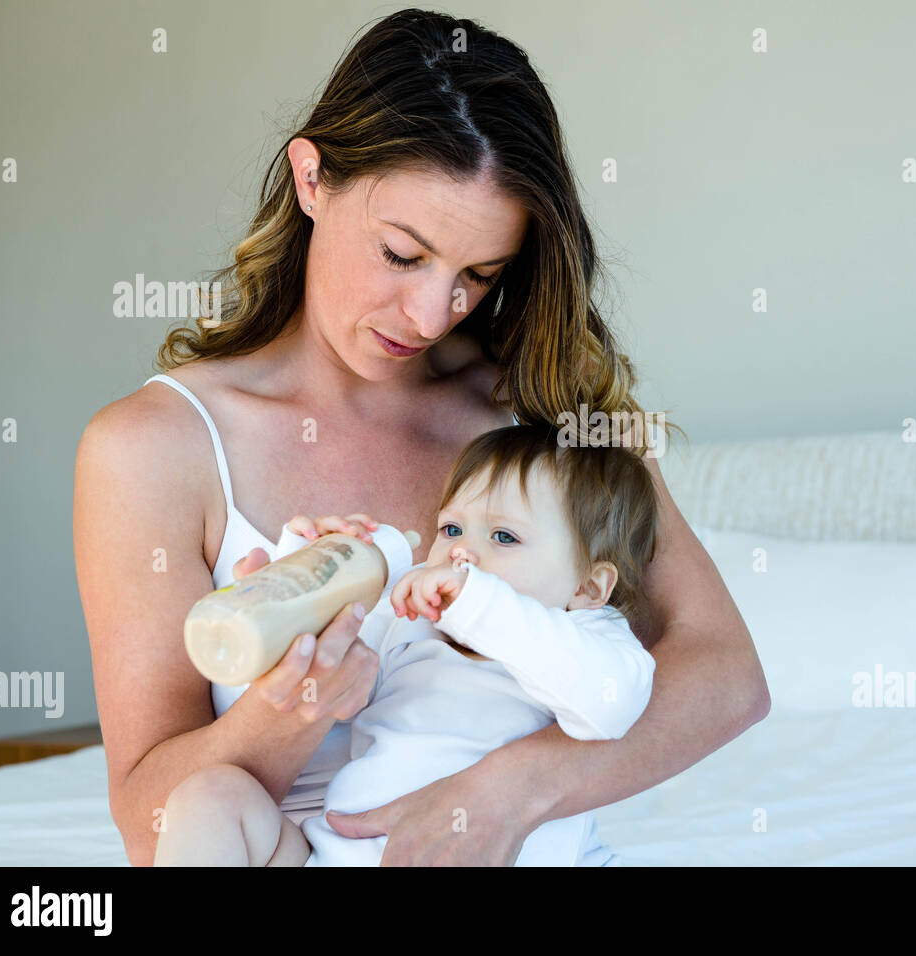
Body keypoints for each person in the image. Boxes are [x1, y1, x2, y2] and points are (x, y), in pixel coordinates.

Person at [73, 8, 769, 867]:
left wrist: (509, 794)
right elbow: (150, 820)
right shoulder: (154, 450)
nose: (434, 313)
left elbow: (728, 676)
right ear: (311, 178)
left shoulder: (543, 409)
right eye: (403, 254)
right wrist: (296, 708)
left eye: (479, 275)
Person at [154, 425, 659, 866]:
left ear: (589, 587)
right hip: (339, 855)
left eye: (504, 537)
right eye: (452, 528)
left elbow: (611, 707)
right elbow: (326, 682)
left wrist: (478, 603)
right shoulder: (410, 621)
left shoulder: (587, 636)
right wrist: (301, 582)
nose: (462, 550)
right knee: (212, 796)